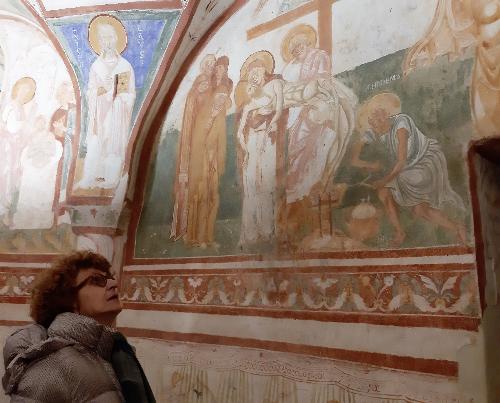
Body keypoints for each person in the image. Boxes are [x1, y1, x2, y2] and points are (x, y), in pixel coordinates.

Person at [2, 251, 155, 403]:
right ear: (70, 299)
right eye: (96, 280)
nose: (113, 284)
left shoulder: (110, 353)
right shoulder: (51, 367)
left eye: (110, 278)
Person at [351, 92, 466, 246]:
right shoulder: (376, 131)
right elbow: (356, 154)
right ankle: (452, 228)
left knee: (390, 187)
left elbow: (401, 162)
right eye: (370, 121)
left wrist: (383, 180)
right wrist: (367, 164)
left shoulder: (401, 123)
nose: (373, 124)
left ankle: (455, 227)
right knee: (413, 207)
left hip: (425, 163)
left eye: (376, 118)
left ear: (384, 114)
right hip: (407, 170)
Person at [280, 24, 357, 245]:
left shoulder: (319, 56)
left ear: (308, 43)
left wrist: (308, 97)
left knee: (319, 157)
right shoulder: (290, 67)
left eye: (299, 45)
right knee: (297, 153)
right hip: (299, 111)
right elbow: (287, 89)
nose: (296, 50)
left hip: (317, 103)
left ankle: (320, 220)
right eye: (292, 48)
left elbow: (321, 81)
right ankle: (300, 205)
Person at [78, 18, 136, 190]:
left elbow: (129, 94)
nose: (107, 41)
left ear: (116, 38)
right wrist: (102, 89)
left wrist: (117, 90)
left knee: (113, 144)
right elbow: (90, 91)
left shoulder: (124, 66)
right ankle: (90, 178)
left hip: (117, 113)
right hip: (100, 112)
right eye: (103, 38)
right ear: (99, 41)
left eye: (110, 37)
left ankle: (111, 178)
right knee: (96, 143)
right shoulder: (96, 66)